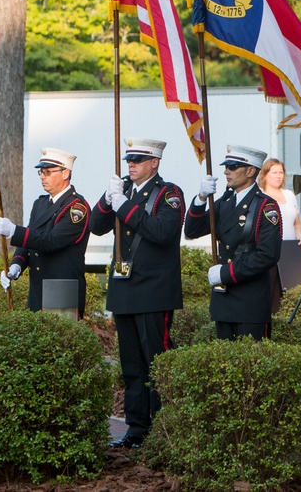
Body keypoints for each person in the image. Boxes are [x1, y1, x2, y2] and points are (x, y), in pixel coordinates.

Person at [91, 138, 184, 450]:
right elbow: (95, 226)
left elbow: (162, 231)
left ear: (154, 163)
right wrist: (107, 200)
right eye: (129, 159)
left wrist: (123, 206)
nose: (131, 164)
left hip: (154, 291)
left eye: (138, 160)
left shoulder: (168, 193)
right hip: (125, 289)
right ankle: (137, 427)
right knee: (131, 365)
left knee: (156, 362)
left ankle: (162, 427)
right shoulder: (123, 192)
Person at [184, 144, 282, 341]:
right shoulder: (225, 202)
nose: (226, 171)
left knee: (251, 365)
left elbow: (267, 255)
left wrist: (225, 272)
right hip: (225, 300)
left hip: (250, 302)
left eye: (233, 167)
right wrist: (201, 198)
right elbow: (192, 231)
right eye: (226, 166)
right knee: (224, 366)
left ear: (250, 171)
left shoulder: (265, 206)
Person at [0, 148, 90, 317]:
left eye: (48, 172)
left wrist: (15, 231)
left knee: (61, 341)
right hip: (38, 289)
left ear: (65, 173)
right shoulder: (40, 204)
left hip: (62, 290)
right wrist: (16, 264)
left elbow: (50, 241)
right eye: (41, 172)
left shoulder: (76, 208)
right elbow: (31, 240)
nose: (42, 176)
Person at [257, 158, 301, 313]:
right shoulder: (260, 195)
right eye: (274, 172)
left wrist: (300, 235)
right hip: (270, 248)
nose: (279, 176)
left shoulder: (289, 194)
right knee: (272, 289)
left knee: (293, 289)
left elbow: (296, 222)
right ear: (265, 175)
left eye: (281, 172)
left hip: (290, 248)